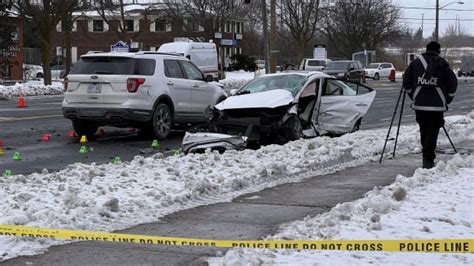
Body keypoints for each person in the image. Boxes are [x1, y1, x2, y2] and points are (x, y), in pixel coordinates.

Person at [403, 41, 457, 169]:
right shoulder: (442, 63)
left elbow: (406, 80)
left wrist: (413, 95)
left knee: (424, 129)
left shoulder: (416, 63)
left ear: (427, 49)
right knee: (433, 131)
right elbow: (453, 83)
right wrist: (448, 99)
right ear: (438, 51)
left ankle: (426, 156)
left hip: (420, 105)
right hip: (437, 106)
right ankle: (428, 158)